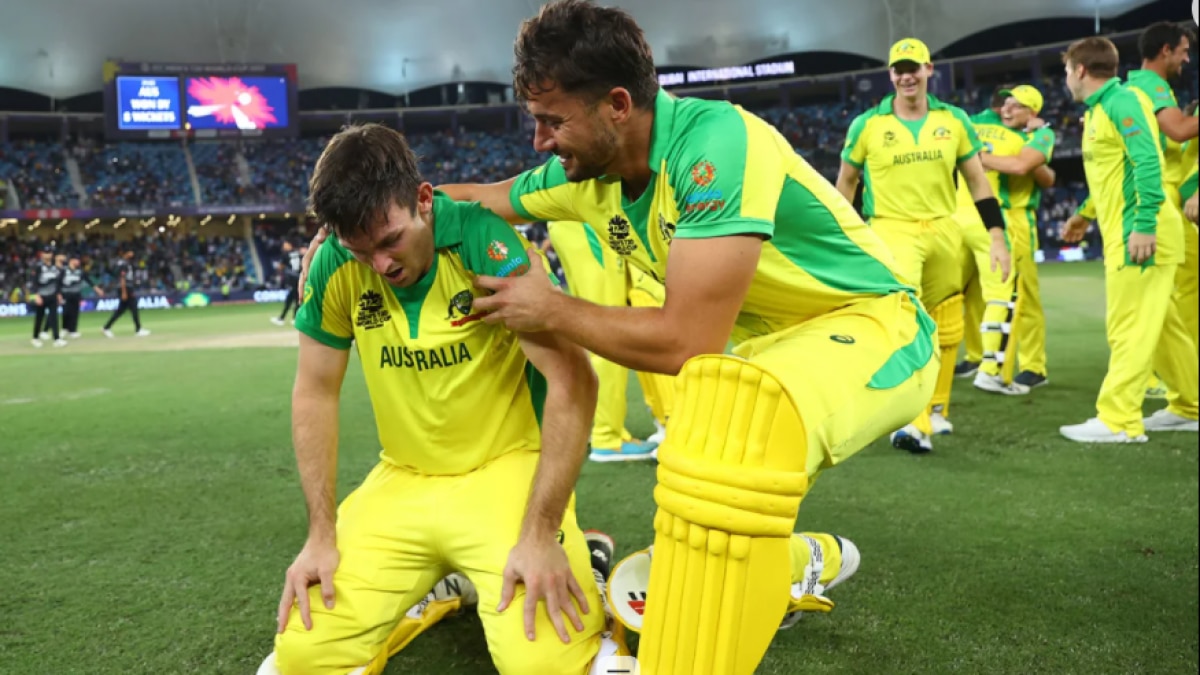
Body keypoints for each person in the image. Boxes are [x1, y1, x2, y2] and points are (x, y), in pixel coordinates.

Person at [286, 2, 919, 672]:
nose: (539, 141)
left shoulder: (715, 146)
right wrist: (359, 219)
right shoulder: (590, 178)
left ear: (617, 104)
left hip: (873, 323)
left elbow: (686, 342)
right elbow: (482, 199)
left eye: (551, 120)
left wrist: (551, 308)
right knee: (700, 453)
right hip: (775, 347)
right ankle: (785, 562)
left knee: (735, 430)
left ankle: (763, 582)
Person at [259, 123, 626, 675]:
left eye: (390, 241)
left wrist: (540, 531)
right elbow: (313, 392)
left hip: (505, 473)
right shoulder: (336, 262)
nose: (380, 265)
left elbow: (573, 380)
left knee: (542, 665)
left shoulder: (484, 242)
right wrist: (320, 534)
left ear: (425, 201)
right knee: (303, 653)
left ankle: (583, 559)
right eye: (361, 250)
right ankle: (451, 578)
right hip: (403, 479)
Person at [838, 37, 1012, 453]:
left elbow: (977, 181)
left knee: (948, 324)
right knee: (907, 320)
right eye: (899, 69)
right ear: (890, 75)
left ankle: (936, 409)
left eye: (913, 67)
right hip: (891, 229)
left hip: (943, 228)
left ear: (929, 70)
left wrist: (996, 234)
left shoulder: (953, 121)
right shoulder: (867, 124)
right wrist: (841, 234)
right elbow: (846, 181)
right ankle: (912, 423)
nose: (906, 76)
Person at [1058, 36, 1199, 442]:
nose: (1066, 79)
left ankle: (1119, 419)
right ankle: (1190, 406)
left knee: (1129, 327)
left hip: (1140, 233)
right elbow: (1114, 172)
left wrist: (1143, 224)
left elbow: (1148, 161)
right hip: (1135, 229)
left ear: (1080, 70)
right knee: (1164, 330)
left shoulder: (1121, 102)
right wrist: (1085, 214)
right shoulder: (1103, 109)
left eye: (1067, 71)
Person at [546, 219, 669, 461]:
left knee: (627, 314)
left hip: (588, 216)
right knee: (609, 331)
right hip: (587, 218)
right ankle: (607, 438)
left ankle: (619, 429)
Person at [1125, 22, 1199, 410]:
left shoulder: (1143, 87)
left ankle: (1179, 390)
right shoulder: (1150, 85)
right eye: (1184, 51)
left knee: (1171, 299)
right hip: (1166, 202)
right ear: (1165, 50)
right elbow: (1179, 131)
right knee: (1181, 299)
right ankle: (1185, 394)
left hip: (1160, 198)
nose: (1187, 58)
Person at [973, 85, 1057, 393]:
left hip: (1015, 219)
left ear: (1032, 113)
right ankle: (979, 358)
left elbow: (1041, 174)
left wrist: (979, 158)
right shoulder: (996, 128)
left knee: (1020, 294)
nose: (1006, 109)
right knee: (984, 293)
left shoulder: (1032, 139)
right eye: (1005, 104)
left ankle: (1028, 366)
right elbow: (1046, 176)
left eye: (1015, 106)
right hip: (980, 218)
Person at [102, 250, 151, 338]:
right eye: (130, 252)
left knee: (120, 310)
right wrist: (124, 292)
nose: (132, 254)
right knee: (134, 307)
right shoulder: (124, 264)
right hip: (125, 288)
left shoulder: (123, 263)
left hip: (125, 287)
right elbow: (122, 278)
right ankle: (138, 329)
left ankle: (106, 327)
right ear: (125, 253)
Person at [60, 256, 104, 338]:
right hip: (65, 294)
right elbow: (58, 282)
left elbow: (88, 280)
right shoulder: (64, 270)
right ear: (71, 260)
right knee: (66, 312)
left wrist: (97, 289)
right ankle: (64, 328)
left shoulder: (80, 271)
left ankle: (73, 331)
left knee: (75, 312)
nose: (78, 262)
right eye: (76, 260)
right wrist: (58, 294)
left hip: (76, 294)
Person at [30, 247, 65, 348]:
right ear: (42, 255)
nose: (47, 255)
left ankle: (57, 339)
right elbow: (34, 282)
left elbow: (58, 281)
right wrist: (36, 295)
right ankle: (35, 338)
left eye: (49, 253)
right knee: (39, 318)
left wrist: (58, 293)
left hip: (52, 295)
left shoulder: (55, 267)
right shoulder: (38, 267)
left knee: (54, 318)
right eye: (46, 253)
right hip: (41, 296)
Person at [272, 241, 305, 326]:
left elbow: (280, 267)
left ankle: (284, 318)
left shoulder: (286, 254)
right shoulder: (299, 253)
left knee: (291, 299)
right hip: (301, 278)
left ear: (290, 245)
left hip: (293, 279)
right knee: (297, 298)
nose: (284, 246)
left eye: (285, 245)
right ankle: (291, 318)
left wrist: (282, 269)